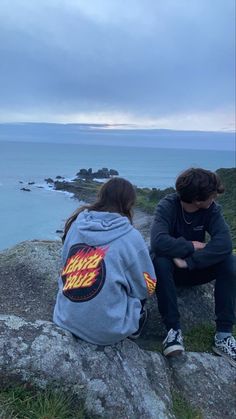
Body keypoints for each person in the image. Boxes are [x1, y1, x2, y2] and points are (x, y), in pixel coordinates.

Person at [53, 177, 157, 345]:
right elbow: (147, 287)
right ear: (129, 204)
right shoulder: (131, 237)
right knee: (137, 288)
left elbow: (64, 265)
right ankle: (136, 325)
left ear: (101, 196)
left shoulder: (76, 224)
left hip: (65, 318)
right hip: (107, 332)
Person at [150, 167, 236, 367]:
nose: (214, 199)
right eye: (212, 196)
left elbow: (224, 243)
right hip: (168, 271)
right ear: (197, 199)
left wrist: (191, 261)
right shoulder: (168, 206)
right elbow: (158, 242)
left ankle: (223, 335)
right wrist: (191, 245)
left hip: (193, 266)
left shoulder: (212, 209)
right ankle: (173, 331)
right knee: (160, 259)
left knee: (230, 261)